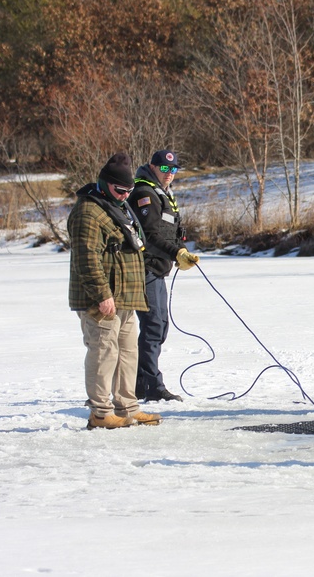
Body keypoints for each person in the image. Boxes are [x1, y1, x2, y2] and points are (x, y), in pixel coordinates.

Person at [68, 152, 161, 429]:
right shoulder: (89, 211)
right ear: (104, 183)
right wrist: (102, 294)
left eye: (129, 191)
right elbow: (87, 258)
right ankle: (100, 412)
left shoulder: (118, 206)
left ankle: (127, 407)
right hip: (102, 300)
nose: (124, 195)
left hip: (125, 298)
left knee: (128, 352)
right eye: (120, 190)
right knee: (103, 352)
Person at [128, 150, 199, 402]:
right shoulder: (144, 193)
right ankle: (152, 386)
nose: (170, 175)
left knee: (159, 326)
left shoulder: (162, 192)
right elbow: (151, 236)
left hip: (157, 269)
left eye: (174, 170)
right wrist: (176, 252)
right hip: (144, 269)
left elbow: (168, 230)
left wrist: (178, 250)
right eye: (165, 169)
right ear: (153, 167)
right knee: (154, 326)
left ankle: (138, 384)